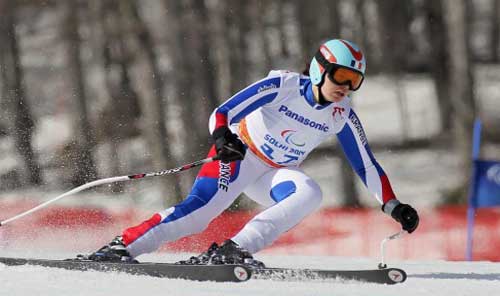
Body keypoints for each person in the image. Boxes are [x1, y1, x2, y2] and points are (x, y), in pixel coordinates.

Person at [83, 39, 419, 266]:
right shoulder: (282, 86)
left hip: (273, 174)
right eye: (341, 76)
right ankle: (122, 247)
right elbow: (222, 111)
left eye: (354, 81)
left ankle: (234, 250)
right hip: (240, 157)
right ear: (320, 69)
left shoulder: (341, 114)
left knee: (310, 193)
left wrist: (393, 205)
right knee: (199, 213)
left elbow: (366, 165)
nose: (345, 87)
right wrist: (222, 139)